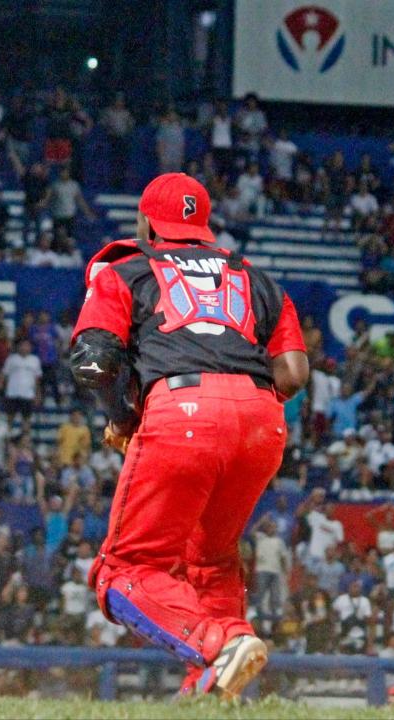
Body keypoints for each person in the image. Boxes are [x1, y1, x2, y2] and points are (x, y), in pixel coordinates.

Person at [68, 172, 308, 698]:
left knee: (123, 570)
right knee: (211, 557)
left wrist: (123, 417)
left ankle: (216, 646)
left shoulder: (126, 271)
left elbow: (93, 362)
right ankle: (218, 677)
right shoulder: (258, 277)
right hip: (262, 421)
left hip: (183, 409)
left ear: (147, 224)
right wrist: (239, 405)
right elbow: (292, 374)